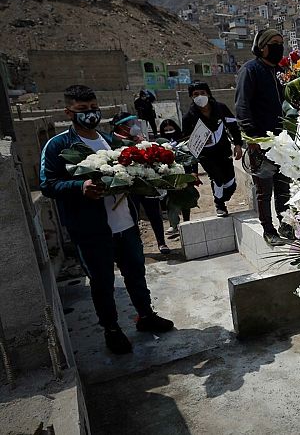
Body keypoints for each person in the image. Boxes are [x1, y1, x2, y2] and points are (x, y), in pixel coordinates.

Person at [40, 85, 174, 355]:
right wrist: (79, 188)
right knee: (102, 283)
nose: (90, 114)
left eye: (93, 108)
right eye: (82, 110)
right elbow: (47, 184)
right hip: (91, 230)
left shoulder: (108, 141)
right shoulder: (58, 146)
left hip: (125, 223)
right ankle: (112, 330)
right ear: (69, 112)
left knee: (136, 273)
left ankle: (145, 316)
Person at [235, 28, 293, 245]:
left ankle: (286, 224)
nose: (279, 46)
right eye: (274, 43)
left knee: (283, 186)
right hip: (261, 142)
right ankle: (268, 230)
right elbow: (242, 106)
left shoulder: (280, 71)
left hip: (283, 141)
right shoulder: (250, 70)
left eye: (281, 42)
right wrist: (252, 138)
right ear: (261, 47)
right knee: (264, 190)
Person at [110, 112, 170, 254]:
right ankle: (138, 244)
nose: (134, 126)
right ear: (121, 127)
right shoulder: (113, 142)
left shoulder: (139, 139)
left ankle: (161, 243)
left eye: (135, 122)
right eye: (131, 124)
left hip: (147, 181)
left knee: (154, 212)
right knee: (133, 215)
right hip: (130, 186)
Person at [182, 81, 243, 217]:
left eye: (202, 93)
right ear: (191, 97)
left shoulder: (221, 108)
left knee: (230, 182)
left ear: (208, 93)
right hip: (206, 155)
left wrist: (238, 144)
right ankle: (219, 205)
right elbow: (187, 145)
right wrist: (192, 170)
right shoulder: (188, 118)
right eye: (195, 94)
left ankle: (223, 197)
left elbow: (233, 126)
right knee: (217, 178)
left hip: (223, 150)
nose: (200, 96)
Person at [159, 119, 198, 237]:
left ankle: (186, 221)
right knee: (171, 199)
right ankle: (174, 224)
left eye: (171, 129)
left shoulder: (184, 142)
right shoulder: (161, 143)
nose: (169, 132)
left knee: (185, 197)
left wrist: (194, 172)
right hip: (170, 175)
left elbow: (192, 157)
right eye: (166, 130)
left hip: (185, 173)